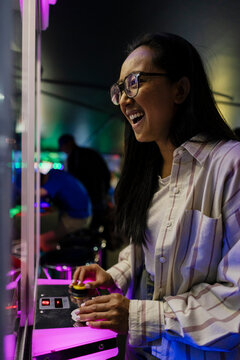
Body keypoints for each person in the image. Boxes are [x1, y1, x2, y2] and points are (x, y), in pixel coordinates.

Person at [70, 33, 240, 359]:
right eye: (119, 90)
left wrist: (139, 316)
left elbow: (235, 300)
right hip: (144, 350)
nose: (123, 100)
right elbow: (148, 250)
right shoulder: (148, 168)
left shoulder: (230, 165)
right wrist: (114, 275)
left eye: (135, 82)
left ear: (180, 89)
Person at [58, 134, 111, 229]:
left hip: (87, 201)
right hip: (98, 199)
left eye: (62, 147)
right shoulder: (91, 153)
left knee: (87, 228)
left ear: (69, 143)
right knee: (98, 226)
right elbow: (106, 174)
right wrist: (104, 192)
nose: (63, 150)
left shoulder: (74, 157)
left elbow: (73, 183)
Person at [40, 169, 92, 251]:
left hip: (78, 219)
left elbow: (40, 192)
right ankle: (54, 258)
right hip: (82, 216)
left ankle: (50, 261)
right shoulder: (57, 174)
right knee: (47, 234)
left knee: (42, 239)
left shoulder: (54, 177)